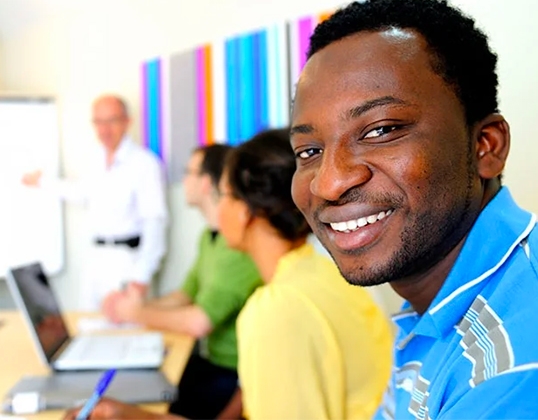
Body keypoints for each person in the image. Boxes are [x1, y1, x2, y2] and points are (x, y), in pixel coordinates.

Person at [289, 0, 538, 419]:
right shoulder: (435, 303)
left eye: (382, 130)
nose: (329, 183)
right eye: (309, 151)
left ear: (485, 146)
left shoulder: (509, 366)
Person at [65, 129, 393, 420]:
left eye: (222, 195)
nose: (217, 209)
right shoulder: (324, 271)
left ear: (247, 210)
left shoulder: (275, 311)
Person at [105, 143, 263, 420]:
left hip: (231, 373)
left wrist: (136, 312)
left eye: (188, 173)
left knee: (147, 401)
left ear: (206, 183)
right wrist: (137, 307)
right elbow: (184, 295)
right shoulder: (208, 237)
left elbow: (199, 321)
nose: (183, 181)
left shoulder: (237, 249)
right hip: (209, 362)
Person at [22, 94, 168, 311]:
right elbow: (80, 191)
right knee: (88, 327)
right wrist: (42, 182)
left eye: (112, 121)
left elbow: (155, 223)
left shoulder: (145, 164)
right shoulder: (94, 160)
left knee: (126, 334)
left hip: (127, 263)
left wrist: (141, 277)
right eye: (98, 122)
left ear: (127, 121)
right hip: (96, 260)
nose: (104, 130)